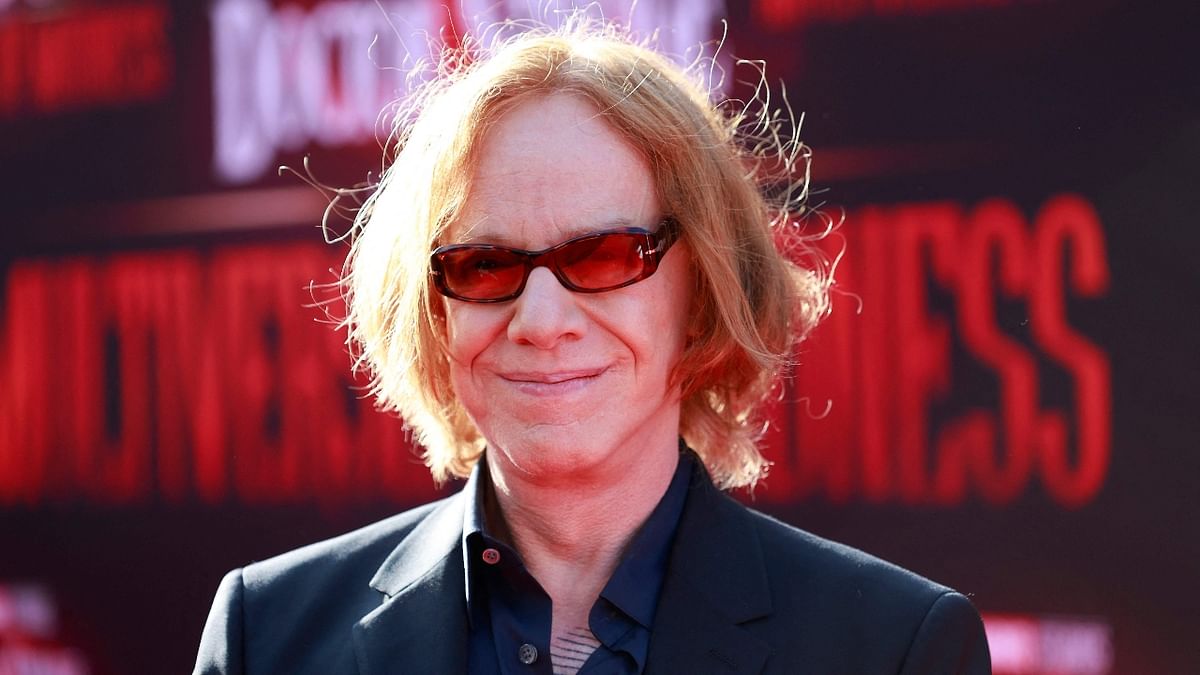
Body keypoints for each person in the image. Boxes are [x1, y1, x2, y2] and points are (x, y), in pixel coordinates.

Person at [194, 19, 991, 675]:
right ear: (434, 311)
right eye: (484, 264)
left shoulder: (894, 648)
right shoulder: (268, 636)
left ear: (704, 289)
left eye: (604, 256)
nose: (541, 319)